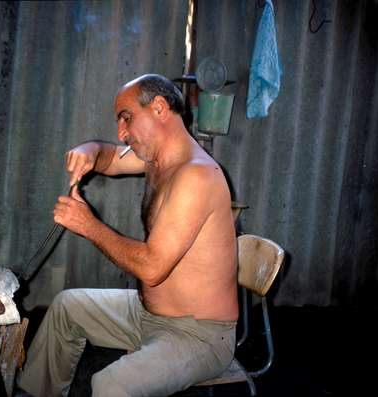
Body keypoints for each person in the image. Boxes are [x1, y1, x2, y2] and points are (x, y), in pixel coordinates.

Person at [17, 74, 238, 397]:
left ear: (160, 108)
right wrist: (88, 150)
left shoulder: (196, 176)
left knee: (111, 385)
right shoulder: (158, 158)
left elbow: (152, 268)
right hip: (147, 313)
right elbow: (110, 158)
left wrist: (88, 225)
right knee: (67, 307)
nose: (121, 133)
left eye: (126, 118)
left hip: (198, 335)